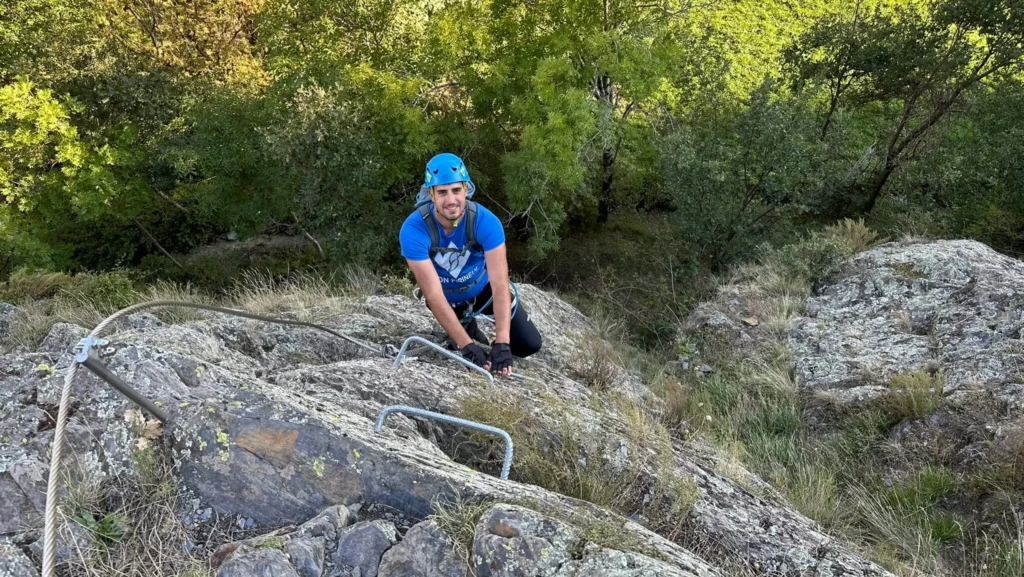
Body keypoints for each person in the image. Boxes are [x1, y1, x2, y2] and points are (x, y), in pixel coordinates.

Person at [399, 153, 542, 376]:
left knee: (529, 344)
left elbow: (499, 283)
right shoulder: (414, 230)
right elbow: (434, 296)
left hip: (482, 290)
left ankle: (474, 328)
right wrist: (467, 347)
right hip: (448, 299)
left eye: (456, 190)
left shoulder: (485, 222)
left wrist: (502, 342)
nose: (451, 200)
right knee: (470, 350)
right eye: (443, 192)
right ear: (431, 194)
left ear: (467, 189)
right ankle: (468, 329)